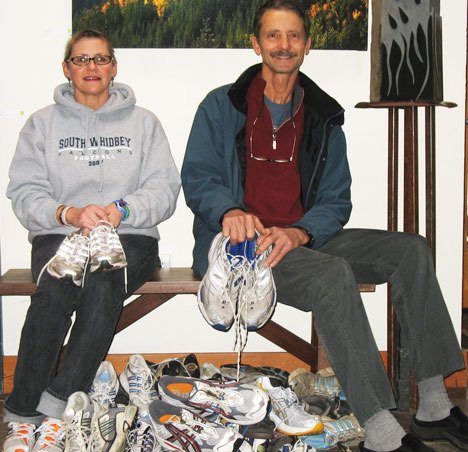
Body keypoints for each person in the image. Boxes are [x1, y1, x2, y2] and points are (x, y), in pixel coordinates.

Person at [181, 1, 468, 451]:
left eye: (294, 36)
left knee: (411, 249)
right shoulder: (221, 106)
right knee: (333, 276)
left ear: (307, 46)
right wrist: (229, 212)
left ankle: (434, 406)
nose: (284, 45)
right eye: (273, 35)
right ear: (255, 44)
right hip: (245, 249)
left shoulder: (323, 114)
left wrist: (301, 232)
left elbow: (337, 199)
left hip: (305, 237)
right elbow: (198, 177)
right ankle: (381, 432)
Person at [4, 29, 180, 451]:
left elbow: (165, 188)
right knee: (55, 290)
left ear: (113, 66)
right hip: (61, 232)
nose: (92, 68)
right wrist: (69, 213)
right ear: (67, 69)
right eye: (81, 60)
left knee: (104, 283)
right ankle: (22, 416)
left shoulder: (145, 123)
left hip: (130, 235)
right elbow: (23, 191)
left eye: (100, 59)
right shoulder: (41, 124)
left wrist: (122, 210)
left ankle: (55, 408)